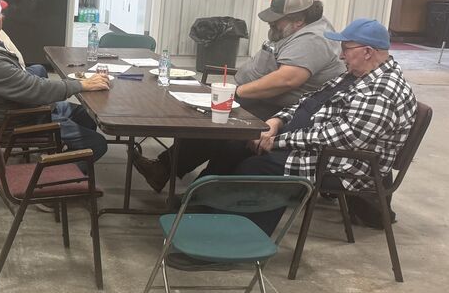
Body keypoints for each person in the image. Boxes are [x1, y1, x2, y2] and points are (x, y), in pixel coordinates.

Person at [173, 19, 417, 233]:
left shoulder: (381, 91)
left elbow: (342, 138)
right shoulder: (354, 74)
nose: (341, 56)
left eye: (346, 49)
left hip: (343, 163)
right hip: (315, 144)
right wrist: (276, 121)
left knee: (258, 168)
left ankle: (236, 239)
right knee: (235, 145)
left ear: (367, 52)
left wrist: (278, 141)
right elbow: (308, 102)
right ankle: (202, 206)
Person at [133, 0, 347, 192]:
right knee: (210, 120)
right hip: (263, 99)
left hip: (284, 109)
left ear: (298, 20)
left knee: (233, 136)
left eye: (276, 20)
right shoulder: (293, 30)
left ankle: (202, 193)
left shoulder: (313, 39)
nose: (271, 23)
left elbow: (287, 80)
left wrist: (237, 93)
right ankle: (164, 169)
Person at [0, 0, 110, 164]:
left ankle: (65, 157)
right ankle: (55, 174)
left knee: (86, 115)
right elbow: (37, 89)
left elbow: (27, 85)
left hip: (19, 109)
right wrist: (80, 85)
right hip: (22, 120)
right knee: (96, 144)